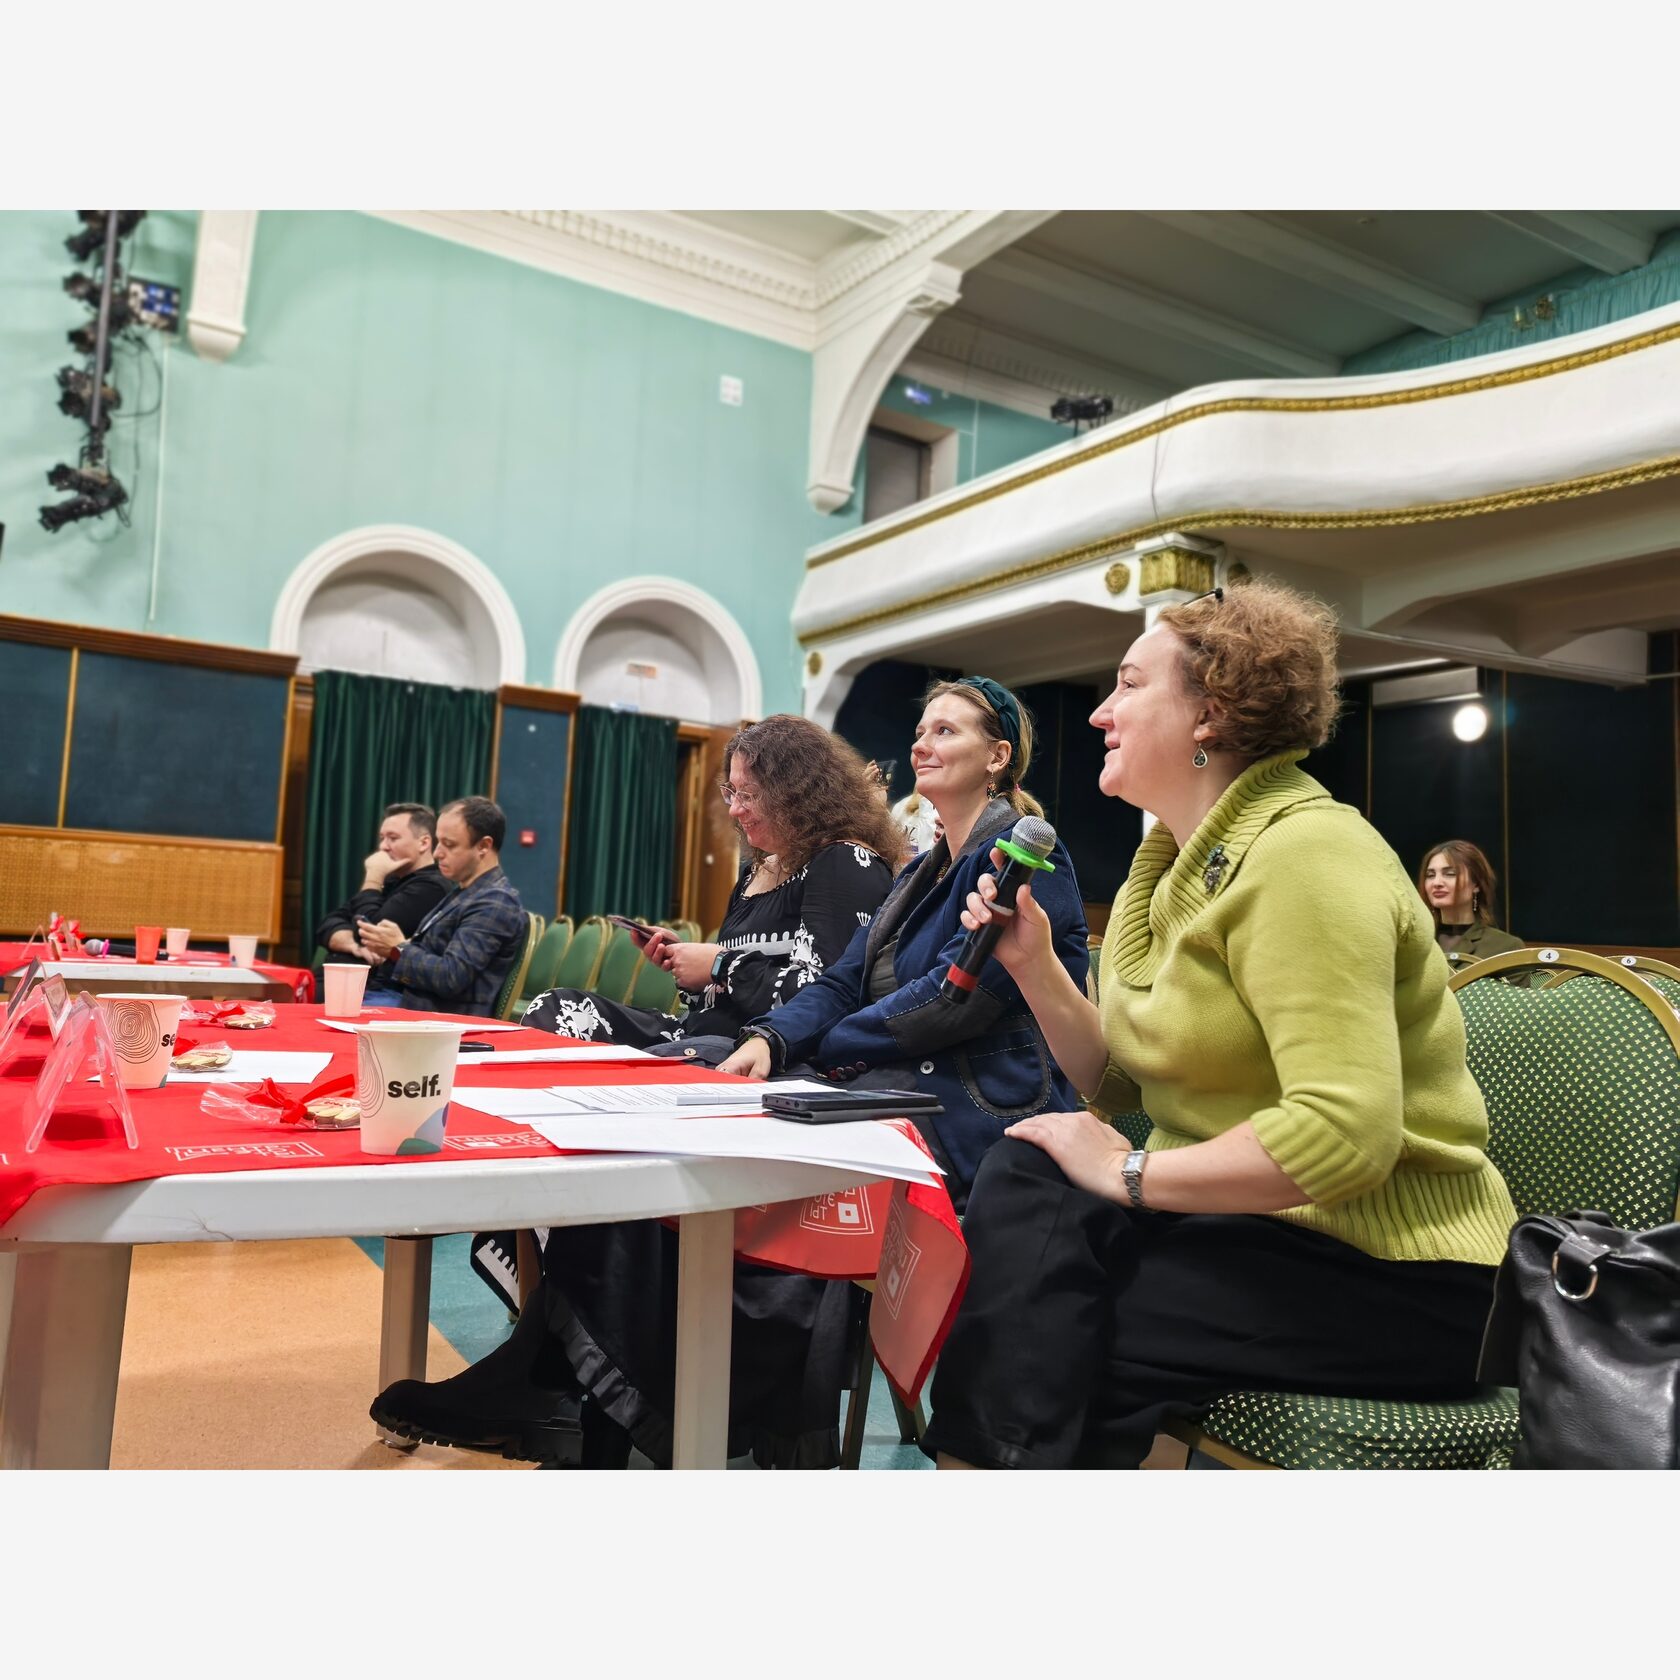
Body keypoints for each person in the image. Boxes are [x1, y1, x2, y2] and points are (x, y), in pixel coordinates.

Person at [370, 678, 1087, 1469]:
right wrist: (775, 1040)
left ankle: (610, 1395)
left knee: (705, 1131)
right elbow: (841, 981)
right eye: (920, 728)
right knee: (659, 1127)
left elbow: (950, 1002)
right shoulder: (923, 872)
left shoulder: (1027, 855)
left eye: (946, 730)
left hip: (961, 1115)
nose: (922, 741)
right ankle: (581, 1384)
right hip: (880, 1090)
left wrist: (813, 1047)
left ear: (998, 756)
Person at [921, 581, 1518, 1470]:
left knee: (1057, 1327)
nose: (1100, 713)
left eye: (1129, 685)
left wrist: (1126, 1172)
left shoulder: (1308, 852)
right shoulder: (1163, 867)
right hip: (1243, 1228)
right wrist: (1035, 965)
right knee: (1026, 1169)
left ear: (1211, 713)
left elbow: (1344, 1137)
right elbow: (1121, 1080)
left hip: (1400, 1271)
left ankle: (980, 1473)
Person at [523, 714, 907, 1048]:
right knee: (559, 1008)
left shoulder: (844, 862)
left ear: (799, 795)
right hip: (701, 1036)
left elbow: (823, 999)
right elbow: (719, 1000)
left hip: (753, 1051)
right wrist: (687, 964)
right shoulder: (756, 872)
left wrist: (720, 963)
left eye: (749, 794)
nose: (735, 809)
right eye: (732, 792)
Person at [356, 796, 526, 1017]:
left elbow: (451, 977)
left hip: (439, 1018)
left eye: (449, 844)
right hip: (412, 1002)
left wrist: (398, 948)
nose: (437, 853)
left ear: (483, 846)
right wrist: (395, 945)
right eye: (439, 842)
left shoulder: (496, 902)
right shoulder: (465, 891)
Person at [314, 803, 449, 973]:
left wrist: (373, 877)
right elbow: (327, 924)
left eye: (393, 838)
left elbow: (370, 931)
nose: (383, 847)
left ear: (423, 843)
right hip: (338, 974)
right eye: (382, 838)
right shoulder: (391, 878)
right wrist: (353, 946)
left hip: (370, 984)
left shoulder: (431, 887)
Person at [1419, 840, 1524, 963]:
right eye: (1430, 875)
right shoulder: (1416, 943)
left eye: (1450, 874)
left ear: (1476, 884)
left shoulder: (1506, 947)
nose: (1436, 883)